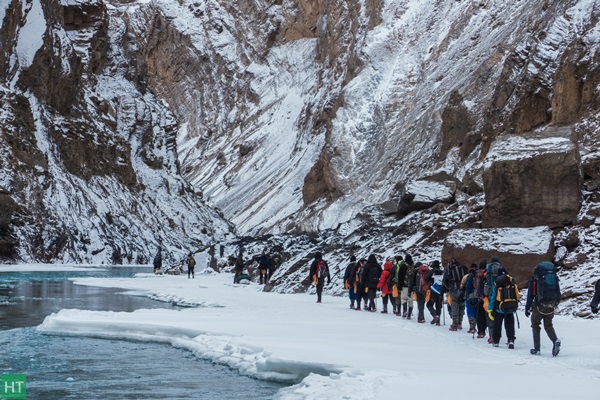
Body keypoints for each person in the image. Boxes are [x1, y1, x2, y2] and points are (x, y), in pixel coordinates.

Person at [525, 262, 561, 356]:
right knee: (548, 325)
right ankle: (555, 340)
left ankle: (537, 349)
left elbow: (530, 296)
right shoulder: (553, 278)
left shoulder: (535, 280)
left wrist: (527, 308)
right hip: (551, 305)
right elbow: (558, 291)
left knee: (535, 324)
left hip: (539, 305)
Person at [488, 270, 520, 348]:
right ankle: (511, 340)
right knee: (510, 325)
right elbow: (517, 296)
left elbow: (493, 297)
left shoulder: (497, 283)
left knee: (497, 325)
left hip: (499, 308)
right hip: (510, 308)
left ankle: (496, 341)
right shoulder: (512, 282)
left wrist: (490, 309)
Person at [443, 258, 467, 331]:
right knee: (462, 305)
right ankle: (460, 323)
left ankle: (454, 324)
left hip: (454, 289)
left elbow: (445, 280)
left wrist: (446, 289)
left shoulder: (450, 268)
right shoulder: (464, 268)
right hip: (463, 290)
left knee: (454, 305)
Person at [426, 260, 444, 326]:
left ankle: (434, 315)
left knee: (429, 305)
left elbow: (426, 279)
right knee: (438, 306)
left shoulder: (431, 271)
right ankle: (438, 321)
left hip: (433, 290)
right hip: (440, 291)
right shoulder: (442, 272)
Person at [398, 254, 415, 319]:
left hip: (404, 285)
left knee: (403, 299)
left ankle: (405, 311)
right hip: (411, 286)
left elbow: (400, 276)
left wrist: (399, 285)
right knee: (410, 301)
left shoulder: (403, 265)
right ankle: (409, 315)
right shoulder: (413, 265)